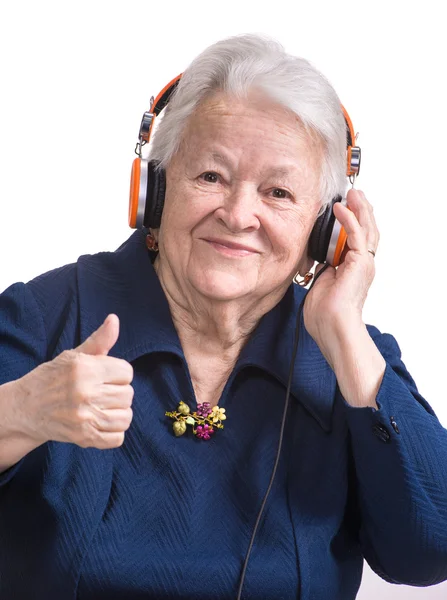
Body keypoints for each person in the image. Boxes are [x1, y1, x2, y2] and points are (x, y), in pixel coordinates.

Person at [0, 33, 446, 600]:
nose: (238, 215)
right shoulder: (49, 316)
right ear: (154, 191)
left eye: (278, 192)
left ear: (325, 230)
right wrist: (18, 411)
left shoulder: (351, 358)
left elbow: (430, 553)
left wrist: (348, 341)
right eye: (210, 176)